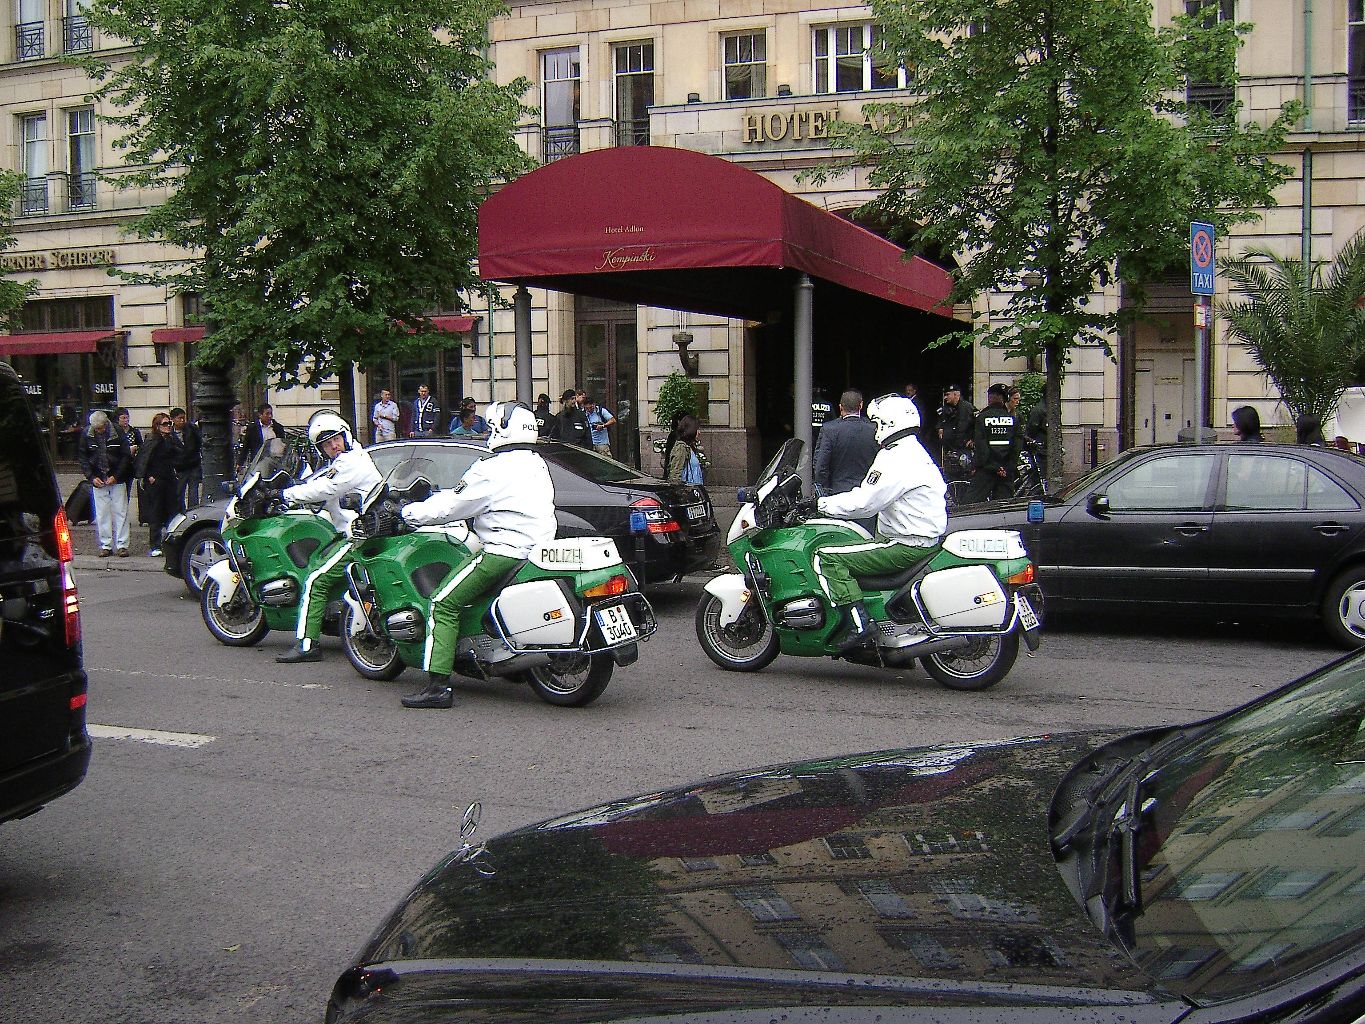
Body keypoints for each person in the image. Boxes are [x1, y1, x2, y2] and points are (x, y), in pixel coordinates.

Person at [397, 402, 557, 709]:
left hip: (503, 553)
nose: (487, 431)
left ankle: (438, 686)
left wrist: (408, 513)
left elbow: (450, 507)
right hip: (536, 551)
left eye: (491, 426)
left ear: (500, 429)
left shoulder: (492, 468)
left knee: (443, 603)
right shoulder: (537, 462)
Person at [795, 394, 947, 654]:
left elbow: (865, 502)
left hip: (903, 544)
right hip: (916, 539)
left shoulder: (896, 457)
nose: (875, 428)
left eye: (877, 423)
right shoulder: (913, 450)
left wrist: (820, 504)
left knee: (828, 558)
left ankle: (860, 625)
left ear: (889, 423)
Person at [273, 412, 383, 664]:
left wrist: (285, 495)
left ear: (345, 436)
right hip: (364, 531)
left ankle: (307, 643)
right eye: (326, 444)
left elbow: (326, 487)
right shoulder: (352, 459)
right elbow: (322, 484)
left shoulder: (350, 463)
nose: (333, 446)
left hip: (359, 536)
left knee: (316, 580)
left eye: (335, 440)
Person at [813, 389, 879, 533]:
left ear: (840, 407)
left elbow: (820, 466)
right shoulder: (874, 429)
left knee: (840, 539)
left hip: (837, 494)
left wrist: (823, 489)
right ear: (861, 406)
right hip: (866, 495)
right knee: (865, 539)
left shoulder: (829, 429)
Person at [79, 410, 132, 557]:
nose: (99, 431)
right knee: (102, 514)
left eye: (101, 428)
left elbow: (125, 455)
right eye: (97, 429)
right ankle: (106, 545)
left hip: (116, 477)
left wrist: (116, 475)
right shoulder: (87, 434)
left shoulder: (117, 431)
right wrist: (91, 477)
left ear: (106, 423)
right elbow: (83, 457)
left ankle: (122, 545)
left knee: (121, 512)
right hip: (99, 478)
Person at [964, 384, 1019, 504]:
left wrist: (993, 467)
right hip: (1005, 472)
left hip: (986, 470)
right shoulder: (1013, 419)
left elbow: (981, 447)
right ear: (1005, 399)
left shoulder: (982, 418)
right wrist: (1006, 468)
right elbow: (1016, 448)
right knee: (1004, 509)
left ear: (990, 398)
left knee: (969, 506)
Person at [140, 412, 185, 557]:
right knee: (156, 512)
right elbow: (144, 459)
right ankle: (155, 545)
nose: (168, 426)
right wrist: (148, 476)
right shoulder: (152, 439)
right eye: (165, 424)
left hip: (170, 479)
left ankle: (172, 542)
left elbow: (180, 454)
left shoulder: (171, 439)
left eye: (169, 423)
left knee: (174, 510)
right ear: (157, 426)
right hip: (156, 480)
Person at [937, 384, 975, 481]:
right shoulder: (945, 409)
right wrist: (940, 428)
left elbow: (978, 425)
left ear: (956, 394)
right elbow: (940, 423)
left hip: (963, 449)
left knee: (964, 477)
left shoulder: (968, 408)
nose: (945, 397)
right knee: (950, 478)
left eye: (947, 394)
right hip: (950, 450)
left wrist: (972, 440)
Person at [171, 407, 202, 509]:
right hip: (180, 467)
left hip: (193, 464)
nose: (182, 420)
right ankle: (181, 513)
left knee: (193, 492)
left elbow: (199, 442)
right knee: (179, 492)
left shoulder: (191, 428)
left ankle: (193, 511)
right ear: (173, 419)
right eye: (179, 418)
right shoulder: (170, 434)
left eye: (183, 418)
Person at [240, 403, 286, 469]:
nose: (270, 416)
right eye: (267, 414)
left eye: (271, 413)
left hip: (275, 462)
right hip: (258, 463)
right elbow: (246, 447)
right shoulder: (253, 429)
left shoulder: (278, 428)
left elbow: (282, 444)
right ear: (260, 415)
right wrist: (240, 463)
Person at [664, 414, 704, 484]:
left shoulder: (688, 446)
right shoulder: (681, 447)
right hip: (687, 491)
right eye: (697, 429)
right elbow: (675, 474)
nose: (699, 432)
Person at [114, 407, 142, 503]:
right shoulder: (114, 432)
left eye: (127, 417)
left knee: (127, 489)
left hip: (130, 465)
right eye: (123, 418)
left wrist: (135, 449)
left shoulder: (134, 431)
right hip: (117, 465)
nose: (126, 420)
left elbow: (141, 447)